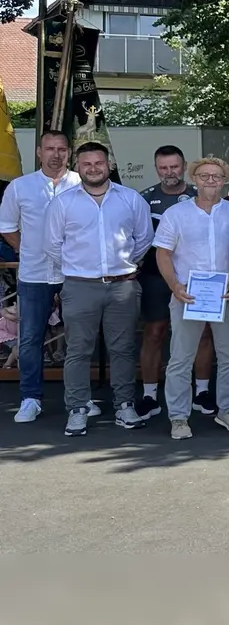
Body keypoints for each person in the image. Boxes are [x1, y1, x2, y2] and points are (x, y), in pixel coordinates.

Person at [44, 142, 153, 435]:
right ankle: (78, 409)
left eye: (99, 163)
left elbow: (144, 238)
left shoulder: (130, 199)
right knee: (78, 351)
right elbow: (53, 245)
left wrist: (127, 263)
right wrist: (81, 268)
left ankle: (124, 406)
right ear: (77, 167)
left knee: (123, 349)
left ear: (109, 165)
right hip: (80, 287)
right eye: (87, 164)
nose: (93, 168)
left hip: (123, 287)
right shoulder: (63, 203)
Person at [154, 156, 229, 439]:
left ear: (224, 181)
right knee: (181, 358)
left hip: (224, 294)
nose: (210, 180)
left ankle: (228, 411)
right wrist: (174, 286)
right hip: (187, 295)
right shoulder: (176, 214)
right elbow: (163, 253)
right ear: (194, 179)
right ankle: (179, 417)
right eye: (204, 175)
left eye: (216, 176)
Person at [0, 130, 80, 424]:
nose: (55, 154)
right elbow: (6, 225)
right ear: (39, 152)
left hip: (74, 273)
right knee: (31, 337)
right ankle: (30, 398)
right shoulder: (21, 187)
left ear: (69, 152)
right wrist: (27, 249)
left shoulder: (81, 184)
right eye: (50, 148)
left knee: (78, 338)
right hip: (34, 274)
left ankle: (79, 400)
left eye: (61, 149)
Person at [134, 145, 197, 422]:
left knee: (202, 335)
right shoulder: (144, 199)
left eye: (174, 166)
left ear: (184, 166)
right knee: (155, 333)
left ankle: (203, 391)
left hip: (196, 278)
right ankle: (150, 395)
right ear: (156, 168)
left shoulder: (199, 195)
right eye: (163, 168)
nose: (169, 172)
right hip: (155, 276)